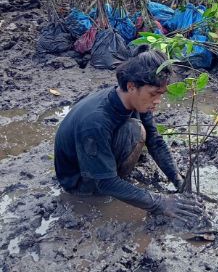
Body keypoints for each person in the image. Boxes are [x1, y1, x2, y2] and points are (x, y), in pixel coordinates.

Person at [54, 46, 201, 219]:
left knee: (140, 130)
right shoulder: (95, 121)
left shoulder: (136, 101)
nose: (157, 101)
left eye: (161, 94)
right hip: (79, 183)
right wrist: (160, 202)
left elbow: (155, 141)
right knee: (134, 130)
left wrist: (178, 180)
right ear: (131, 86)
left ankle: (114, 173)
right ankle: (105, 185)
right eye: (153, 94)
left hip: (91, 161)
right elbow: (105, 182)